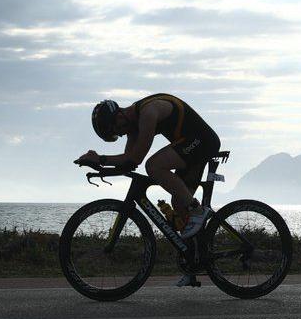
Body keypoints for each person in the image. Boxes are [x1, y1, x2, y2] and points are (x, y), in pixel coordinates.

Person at [77, 93, 221, 244]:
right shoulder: (132, 126)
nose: (120, 134)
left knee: (154, 166)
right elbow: (128, 162)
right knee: (179, 203)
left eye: (116, 129)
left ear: (119, 115)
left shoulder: (148, 112)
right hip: (190, 145)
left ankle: (197, 210)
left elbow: (136, 158)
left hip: (203, 141)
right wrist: (98, 165)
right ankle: (200, 254)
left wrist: (101, 159)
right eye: (116, 135)